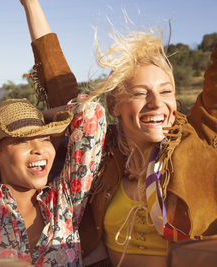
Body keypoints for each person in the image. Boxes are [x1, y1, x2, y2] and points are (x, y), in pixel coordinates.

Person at [19, 0, 217, 266]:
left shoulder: (196, 139)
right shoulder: (101, 154)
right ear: (115, 105)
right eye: (139, 93)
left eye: (166, 91)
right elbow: (58, 82)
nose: (157, 102)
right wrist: (31, 5)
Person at [0, 0, 107, 265]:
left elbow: (91, 115)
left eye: (44, 138)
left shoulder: (65, 200)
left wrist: (49, 115)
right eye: (22, 140)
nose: (40, 148)